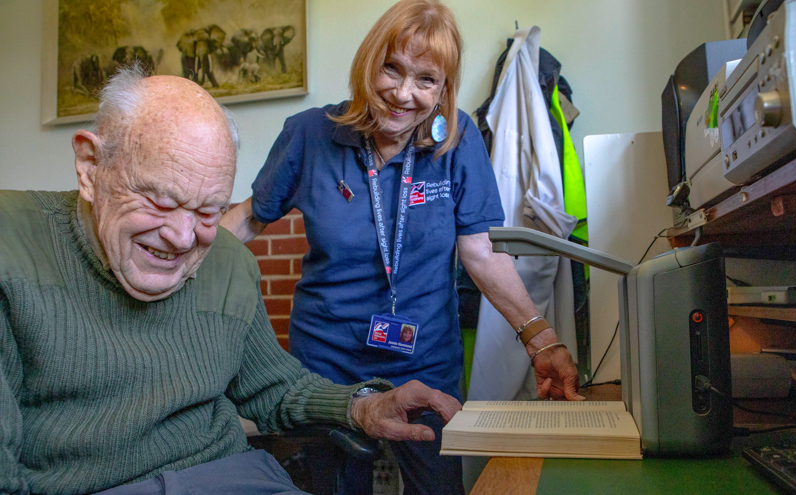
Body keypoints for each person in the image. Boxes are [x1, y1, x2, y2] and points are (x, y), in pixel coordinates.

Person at [0, 67, 462, 495]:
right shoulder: (11, 249)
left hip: (232, 476)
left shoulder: (227, 261)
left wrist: (363, 405)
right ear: (89, 167)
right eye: (160, 201)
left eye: (208, 211)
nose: (183, 238)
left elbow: (274, 388)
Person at [221, 1, 583, 493]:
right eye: (391, 68)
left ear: (444, 89)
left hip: (425, 356)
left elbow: (480, 252)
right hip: (325, 362)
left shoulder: (458, 143)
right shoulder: (309, 135)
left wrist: (543, 341)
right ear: (368, 62)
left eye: (426, 80)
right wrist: (176, 257)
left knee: (437, 485)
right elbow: (247, 219)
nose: (403, 93)